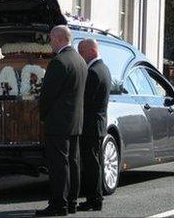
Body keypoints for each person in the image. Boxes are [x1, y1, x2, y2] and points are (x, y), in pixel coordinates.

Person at [37, 25, 87, 216]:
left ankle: (59, 205)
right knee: (72, 162)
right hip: (75, 121)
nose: (50, 43)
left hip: (58, 122)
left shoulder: (59, 61)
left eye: (51, 39)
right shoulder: (80, 60)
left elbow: (47, 95)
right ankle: (72, 202)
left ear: (58, 39)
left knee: (58, 165)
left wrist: (43, 117)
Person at [77, 39, 112, 211]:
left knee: (91, 164)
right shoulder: (103, 68)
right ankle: (95, 198)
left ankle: (94, 199)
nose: (80, 56)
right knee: (94, 162)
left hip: (90, 125)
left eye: (81, 52)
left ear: (91, 51)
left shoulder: (93, 72)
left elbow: (85, 100)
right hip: (97, 124)